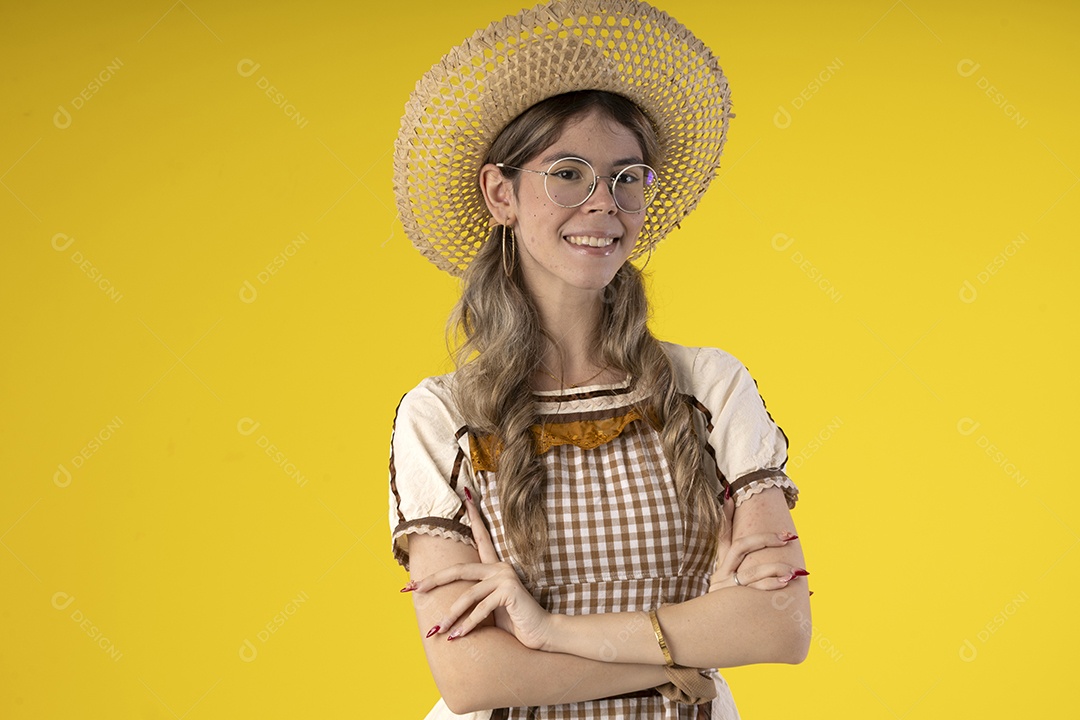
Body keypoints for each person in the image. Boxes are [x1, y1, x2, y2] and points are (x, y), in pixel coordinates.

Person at [388, 1, 810, 717]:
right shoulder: (442, 416)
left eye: (626, 176)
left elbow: (781, 625)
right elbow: (471, 678)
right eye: (568, 174)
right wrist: (688, 656)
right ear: (502, 193)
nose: (603, 203)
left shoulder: (709, 386)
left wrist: (548, 632)